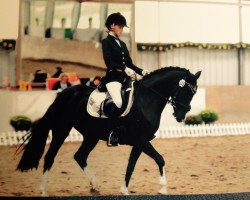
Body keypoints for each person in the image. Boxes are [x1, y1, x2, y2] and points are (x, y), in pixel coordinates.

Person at [101, 12, 148, 146]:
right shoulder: (106, 42)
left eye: (122, 27)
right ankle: (112, 133)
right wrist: (123, 68)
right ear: (112, 26)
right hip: (113, 78)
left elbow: (130, 64)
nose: (122, 30)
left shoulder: (122, 44)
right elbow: (109, 62)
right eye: (120, 27)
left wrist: (141, 71)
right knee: (118, 102)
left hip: (125, 78)